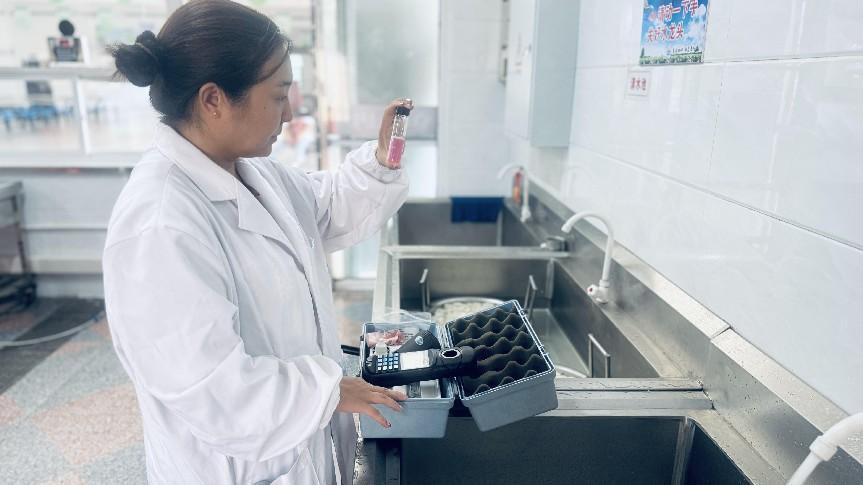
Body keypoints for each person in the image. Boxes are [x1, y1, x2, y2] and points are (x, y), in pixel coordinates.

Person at [102, 1, 411, 483]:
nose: (289, 112)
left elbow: (325, 207)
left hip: (298, 451)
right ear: (213, 99)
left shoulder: (251, 172)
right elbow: (214, 392)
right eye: (278, 95)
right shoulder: (160, 224)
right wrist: (329, 391)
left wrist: (381, 161)